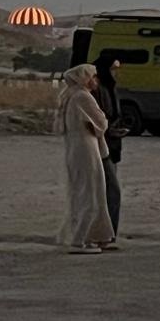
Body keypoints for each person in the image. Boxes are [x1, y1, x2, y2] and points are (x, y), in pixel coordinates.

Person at [54, 64, 115, 254]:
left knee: (81, 192)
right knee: (91, 192)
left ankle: (87, 236)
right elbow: (101, 121)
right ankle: (80, 239)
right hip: (86, 148)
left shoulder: (70, 95)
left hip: (76, 147)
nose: (95, 80)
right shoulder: (82, 96)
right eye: (93, 77)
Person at [92, 52, 126, 238]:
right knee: (111, 192)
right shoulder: (97, 89)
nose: (116, 73)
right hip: (100, 146)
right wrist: (108, 130)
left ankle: (108, 231)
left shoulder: (111, 88)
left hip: (113, 145)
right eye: (114, 69)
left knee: (109, 191)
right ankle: (105, 232)